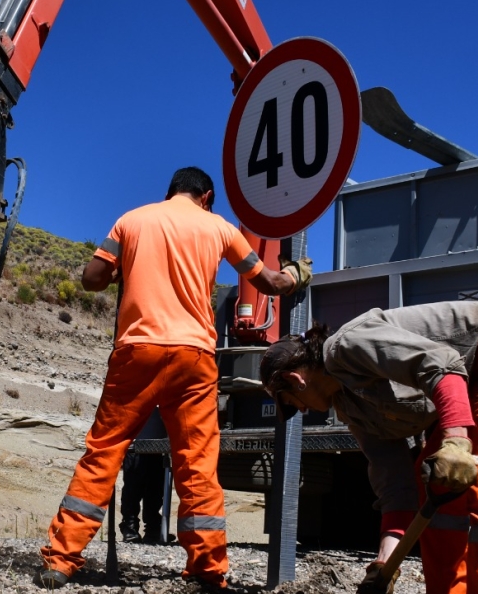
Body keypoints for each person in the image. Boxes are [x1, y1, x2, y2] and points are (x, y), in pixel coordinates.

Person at [37, 167, 311, 590]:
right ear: (207, 196)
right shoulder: (218, 227)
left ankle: (61, 560)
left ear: (171, 193)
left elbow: (91, 279)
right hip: (194, 358)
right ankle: (207, 571)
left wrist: (119, 272)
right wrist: (296, 275)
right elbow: (270, 282)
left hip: (137, 351)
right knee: (197, 464)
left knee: (104, 452)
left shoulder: (131, 220)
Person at [258, 301, 478, 594]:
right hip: (468, 379)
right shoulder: (349, 407)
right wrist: (385, 564)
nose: (302, 411)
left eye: (291, 405)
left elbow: (442, 365)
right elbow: (396, 487)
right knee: (436, 488)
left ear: (294, 380)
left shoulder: (346, 346)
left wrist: (457, 442)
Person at [119, 408, 167, 544]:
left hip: (159, 446)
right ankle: (130, 528)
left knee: (155, 491)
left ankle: (152, 530)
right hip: (135, 445)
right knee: (132, 489)